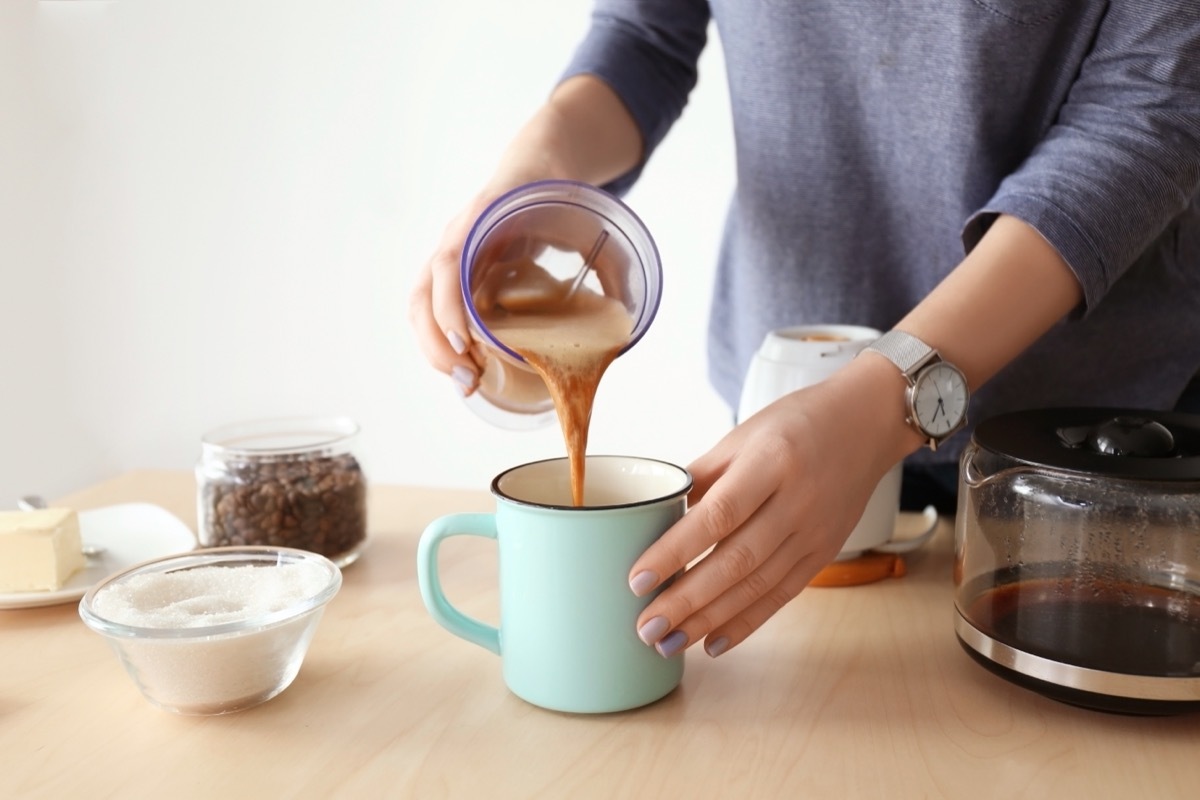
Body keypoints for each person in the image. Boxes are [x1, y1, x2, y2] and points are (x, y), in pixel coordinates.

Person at [410, 2, 1200, 661]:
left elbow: (1149, 110)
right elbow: (648, 32)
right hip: (797, 435)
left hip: (1086, 460)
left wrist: (885, 396)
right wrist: (530, 172)